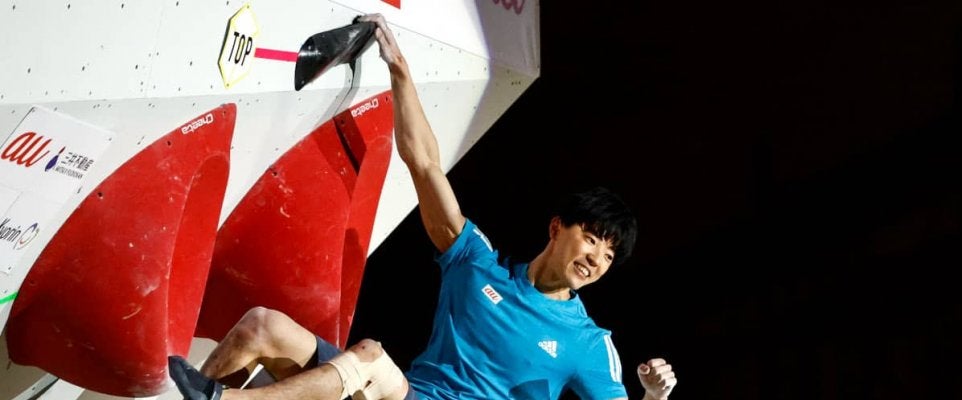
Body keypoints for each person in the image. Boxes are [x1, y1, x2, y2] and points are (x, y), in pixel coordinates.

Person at [167, 13, 678, 400]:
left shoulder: (588, 343)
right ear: (556, 227)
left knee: (369, 357)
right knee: (261, 326)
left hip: (384, 382)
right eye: (592, 239)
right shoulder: (476, 263)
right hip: (406, 393)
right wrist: (400, 70)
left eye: (609, 255)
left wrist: (655, 397)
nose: (596, 258)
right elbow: (426, 164)